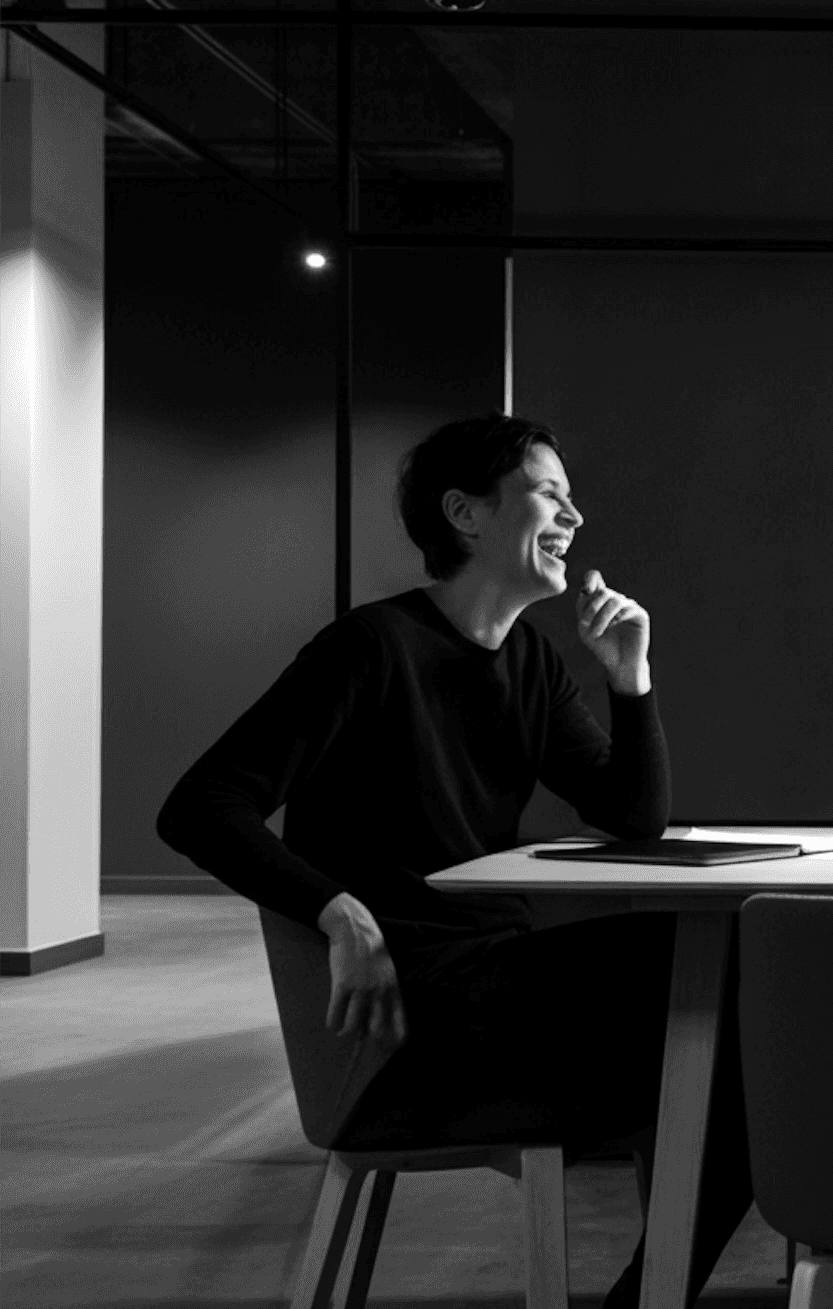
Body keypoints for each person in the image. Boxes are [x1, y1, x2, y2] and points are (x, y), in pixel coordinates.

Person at [157, 414, 750, 1309]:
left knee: (750, 1024)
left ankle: (654, 1293)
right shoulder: (370, 649)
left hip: (499, 985)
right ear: (466, 514)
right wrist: (336, 909)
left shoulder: (530, 662)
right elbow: (200, 805)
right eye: (550, 491)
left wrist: (632, 677)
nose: (574, 514)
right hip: (421, 1013)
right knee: (732, 986)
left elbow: (633, 815)